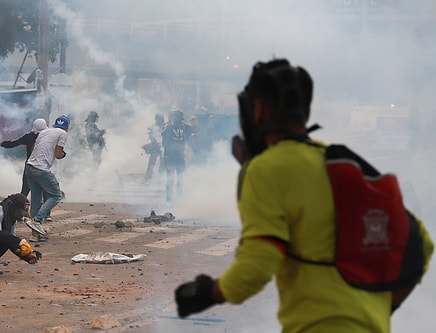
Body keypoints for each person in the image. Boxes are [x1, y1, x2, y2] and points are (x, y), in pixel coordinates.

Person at [174, 58, 434, 332]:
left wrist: (208, 292)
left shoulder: (266, 168)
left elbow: (258, 263)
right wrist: (380, 307)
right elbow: (422, 245)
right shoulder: (337, 159)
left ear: (258, 109)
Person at [25, 115, 69, 241]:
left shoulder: (44, 131)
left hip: (29, 167)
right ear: (67, 127)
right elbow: (58, 154)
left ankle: (34, 234)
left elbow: (33, 148)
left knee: (36, 200)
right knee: (56, 195)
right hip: (41, 169)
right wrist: (63, 154)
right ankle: (37, 220)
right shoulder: (62, 133)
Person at [0, 118, 48, 196]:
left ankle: (20, 204)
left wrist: (4, 144)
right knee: (44, 186)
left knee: (25, 188)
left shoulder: (29, 136)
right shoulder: (48, 137)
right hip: (43, 165)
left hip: (30, 164)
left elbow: (15, 142)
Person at [161, 108, 194, 202]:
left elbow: (164, 140)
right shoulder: (185, 127)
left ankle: (169, 200)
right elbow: (195, 130)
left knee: (171, 179)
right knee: (179, 178)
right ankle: (178, 199)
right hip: (178, 156)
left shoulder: (168, 126)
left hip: (171, 156)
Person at [142, 113, 164, 183]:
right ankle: (147, 178)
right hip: (155, 147)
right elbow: (151, 136)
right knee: (152, 163)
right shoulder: (152, 127)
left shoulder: (165, 126)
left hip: (162, 147)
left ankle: (158, 179)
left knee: (162, 163)